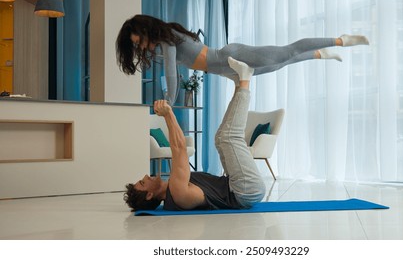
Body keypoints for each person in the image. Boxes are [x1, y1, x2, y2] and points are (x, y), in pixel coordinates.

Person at [116, 14, 369, 103]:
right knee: (278, 64)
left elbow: (171, 73)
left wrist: (169, 102)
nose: (143, 47)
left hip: (230, 57)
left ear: (146, 30)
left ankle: (340, 40)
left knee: (286, 51)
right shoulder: (166, 38)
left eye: (139, 41)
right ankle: (317, 55)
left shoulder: (166, 39)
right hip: (227, 70)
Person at [124, 57, 265, 211]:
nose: (145, 176)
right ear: (150, 195)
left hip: (237, 186)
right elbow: (179, 148)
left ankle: (239, 83)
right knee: (229, 137)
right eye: (143, 183)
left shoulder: (173, 189)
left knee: (220, 138)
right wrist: (168, 114)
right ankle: (245, 79)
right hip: (245, 191)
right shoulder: (177, 191)